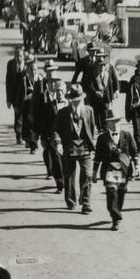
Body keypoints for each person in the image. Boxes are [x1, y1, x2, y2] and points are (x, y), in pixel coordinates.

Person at [53, 85, 98, 213]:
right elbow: (56, 130)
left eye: (80, 99)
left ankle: (85, 202)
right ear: (70, 100)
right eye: (75, 100)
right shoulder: (62, 113)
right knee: (69, 175)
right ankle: (71, 200)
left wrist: (91, 143)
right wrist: (59, 144)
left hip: (84, 147)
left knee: (87, 174)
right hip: (69, 146)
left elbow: (92, 128)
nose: (78, 102)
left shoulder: (89, 111)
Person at [92, 112, 140, 231]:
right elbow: (97, 156)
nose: (114, 124)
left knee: (121, 193)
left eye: (117, 121)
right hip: (109, 170)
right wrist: (94, 172)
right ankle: (116, 219)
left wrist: (138, 167)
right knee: (112, 193)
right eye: (111, 122)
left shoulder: (127, 135)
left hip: (124, 169)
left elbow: (134, 152)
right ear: (107, 124)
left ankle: (116, 212)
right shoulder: (102, 138)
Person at [5, 47, 33, 146]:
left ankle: (26, 137)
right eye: (16, 55)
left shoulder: (27, 65)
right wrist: (8, 99)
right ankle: (18, 136)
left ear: (23, 57)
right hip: (15, 96)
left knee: (26, 117)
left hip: (25, 95)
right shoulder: (10, 64)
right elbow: (8, 82)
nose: (18, 58)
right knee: (18, 116)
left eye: (20, 56)